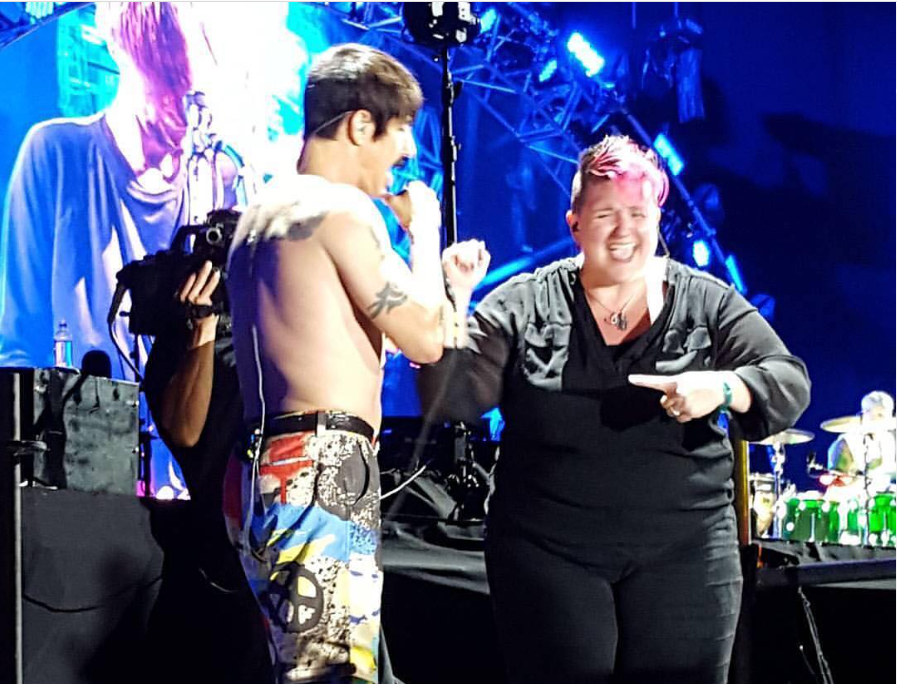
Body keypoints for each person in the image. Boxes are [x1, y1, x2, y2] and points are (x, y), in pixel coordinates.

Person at [419, 134, 811, 684]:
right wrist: (454, 300)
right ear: (574, 222)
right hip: (548, 553)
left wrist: (723, 387)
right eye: (605, 214)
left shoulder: (706, 301)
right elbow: (452, 399)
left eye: (637, 213)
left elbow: (787, 380)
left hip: (687, 554)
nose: (624, 231)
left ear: (658, 217)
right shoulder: (524, 302)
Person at [222, 43, 486, 683]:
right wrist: (425, 232)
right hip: (322, 465)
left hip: (260, 467)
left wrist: (453, 291)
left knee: (308, 670)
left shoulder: (261, 215)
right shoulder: (341, 211)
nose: (404, 161)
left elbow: (372, 338)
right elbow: (425, 341)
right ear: (361, 125)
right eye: (399, 138)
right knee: (337, 677)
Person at [0, 2, 245, 371]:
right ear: (123, 50)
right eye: (172, 80)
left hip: (181, 422)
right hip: (76, 419)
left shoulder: (217, 175)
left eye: (198, 93)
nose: (186, 111)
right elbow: (19, 341)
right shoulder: (55, 152)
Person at [143, 262, 273, 684]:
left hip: (289, 531)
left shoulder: (285, 328)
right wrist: (203, 326)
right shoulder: (182, 342)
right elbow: (184, 430)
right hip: (219, 557)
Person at [824, 391, 896, 500]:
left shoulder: (888, 440)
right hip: (851, 506)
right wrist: (870, 473)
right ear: (865, 414)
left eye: (886, 416)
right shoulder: (847, 443)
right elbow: (836, 490)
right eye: (879, 415)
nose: (882, 421)